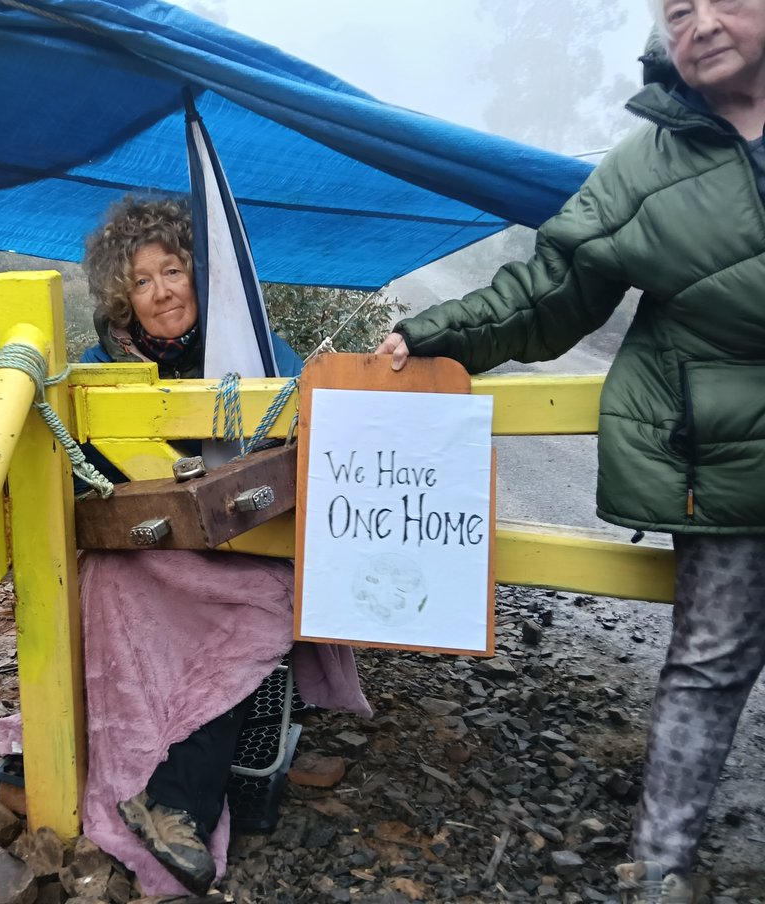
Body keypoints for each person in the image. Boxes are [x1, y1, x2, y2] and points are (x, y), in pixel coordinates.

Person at [376, 3, 765, 902]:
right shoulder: (644, 167)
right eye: (679, 9)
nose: (699, 23)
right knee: (709, 664)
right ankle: (661, 868)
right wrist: (430, 334)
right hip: (723, 463)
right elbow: (549, 291)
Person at [76, 195, 369, 896]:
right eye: (140, 281)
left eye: (172, 271)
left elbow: (318, 418)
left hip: (246, 548)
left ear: (199, 276)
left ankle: (175, 797)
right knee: (110, 591)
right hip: (146, 555)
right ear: (125, 296)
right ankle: (130, 774)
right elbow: (82, 471)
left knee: (266, 601)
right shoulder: (97, 364)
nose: (160, 292)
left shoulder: (256, 345)